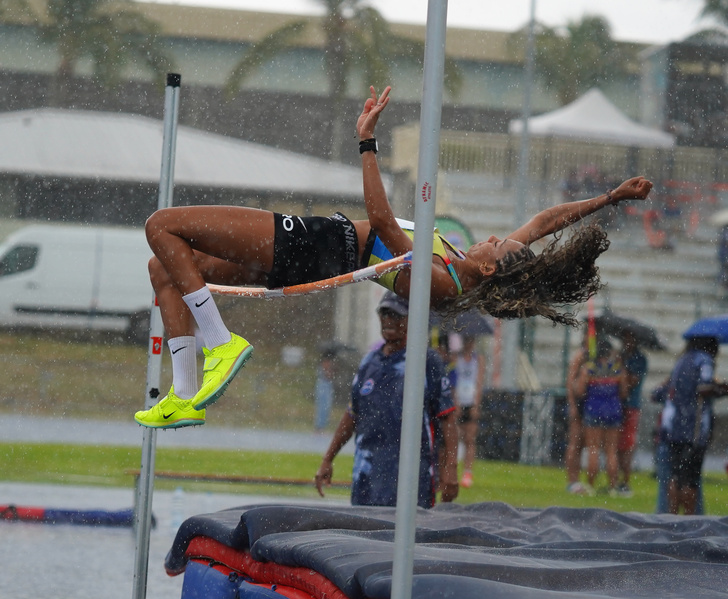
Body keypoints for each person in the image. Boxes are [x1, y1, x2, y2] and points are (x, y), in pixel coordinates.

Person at [135, 85, 653, 428]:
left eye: (496, 244)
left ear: (492, 266)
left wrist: (367, 143)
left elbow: (382, 222)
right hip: (320, 249)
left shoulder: (445, 284)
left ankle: (221, 345)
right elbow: (544, 222)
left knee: (162, 225)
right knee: (165, 269)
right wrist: (609, 198)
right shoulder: (464, 265)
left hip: (320, 247)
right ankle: (185, 394)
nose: (494, 236)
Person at [314, 293, 456, 508]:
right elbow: (352, 415)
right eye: (384, 313)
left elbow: (447, 419)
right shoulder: (370, 361)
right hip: (367, 476)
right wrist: (327, 459)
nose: (389, 320)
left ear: (412, 319)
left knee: (407, 537)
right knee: (365, 535)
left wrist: (450, 469)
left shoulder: (426, 361)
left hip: (412, 477)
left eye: (397, 315)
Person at [662, 336, 728, 515]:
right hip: (694, 427)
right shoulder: (704, 360)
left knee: (675, 474)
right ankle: (690, 518)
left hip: (676, 425)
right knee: (691, 476)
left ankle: (672, 515)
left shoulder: (682, 359)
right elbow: (703, 388)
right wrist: (721, 389)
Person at [577, 339, 628, 494]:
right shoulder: (618, 369)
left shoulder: (589, 368)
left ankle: (591, 485)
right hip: (613, 410)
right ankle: (612, 486)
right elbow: (624, 392)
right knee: (611, 450)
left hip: (594, 409)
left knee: (593, 449)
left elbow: (580, 391)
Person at [616, 330, 648, 494]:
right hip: (617, 405)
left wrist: (621, 374)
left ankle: (625, 481)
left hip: (630, 406)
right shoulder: (619, 356)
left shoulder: (639, 359)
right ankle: (616, 480)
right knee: (616, 445)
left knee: (627, 445)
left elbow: (632, 382)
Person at [451, 332, 484, 487]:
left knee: (470, 438)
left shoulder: (478, 360)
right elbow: (453, 381)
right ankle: (452, 470)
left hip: (470, 401)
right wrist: (455, 402)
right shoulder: (456, 358)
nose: (469, 343)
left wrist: (476, 405)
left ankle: (467, 472)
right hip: (458, 400)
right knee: (455, 437)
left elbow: (479, 383)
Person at [564, 347, 589, 495]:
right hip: (580, 402)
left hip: (590, 401)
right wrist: (573, 404)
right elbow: (571, 380)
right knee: (575, 443)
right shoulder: (580, 355)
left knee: (585, 444)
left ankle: (579, 480)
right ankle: (572, 480)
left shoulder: (596, 354)